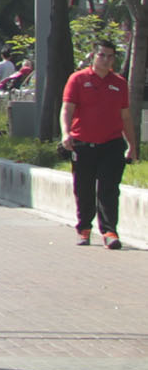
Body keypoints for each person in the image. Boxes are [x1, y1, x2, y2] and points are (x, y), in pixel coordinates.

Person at [61, 43, 132, 249]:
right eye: (102, 55)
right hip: (83, 144)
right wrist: (66, 133)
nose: (106, 60)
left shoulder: (119, 83)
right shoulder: (78, 79)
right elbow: (67, 109)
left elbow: (125, 116)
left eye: (111, 56)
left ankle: (110, 231)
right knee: (83, 189)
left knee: (109, 189)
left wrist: (132, 146)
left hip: (112, 144)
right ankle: (84, 229)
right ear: (93, 55)